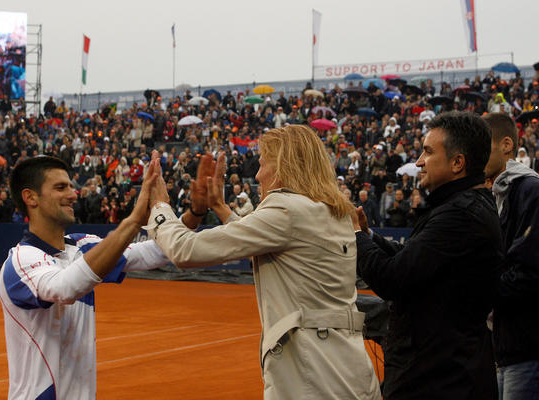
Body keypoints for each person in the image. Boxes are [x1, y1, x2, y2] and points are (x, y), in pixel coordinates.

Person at [143, 125, 381, 399]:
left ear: (283, 164)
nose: (257, 175)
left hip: (312, 375)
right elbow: (278, 243)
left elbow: (185, 250)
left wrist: (160, 207)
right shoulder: (335, 210)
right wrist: (221, 207)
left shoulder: (286, 208)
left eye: (262, 163)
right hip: (352, 370)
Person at [352, 111, 502, 399]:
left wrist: (355, 236)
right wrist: (370, 236)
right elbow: (414, 259)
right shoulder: (461, 206)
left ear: (458, 163)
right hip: (445, 371)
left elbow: (392, 278)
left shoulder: (459, 215)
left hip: (437, 379)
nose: (419, 162)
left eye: (428, 152)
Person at [0, 156, 171, 399]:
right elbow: (64, 288)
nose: (73, 194)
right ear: (31, 198)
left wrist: (194, 212)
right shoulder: (20, 260)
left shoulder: (83, 245)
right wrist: (132, 222)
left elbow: (155, 253)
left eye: (70, 186)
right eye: (61, 188)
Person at [483, 112, 539, 400]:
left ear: (506, 145)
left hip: (526, 349)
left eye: (483, 146)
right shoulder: (499, 193)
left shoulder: (530, 190)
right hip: (505, 347)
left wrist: (479, 288)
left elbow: (528, 272)